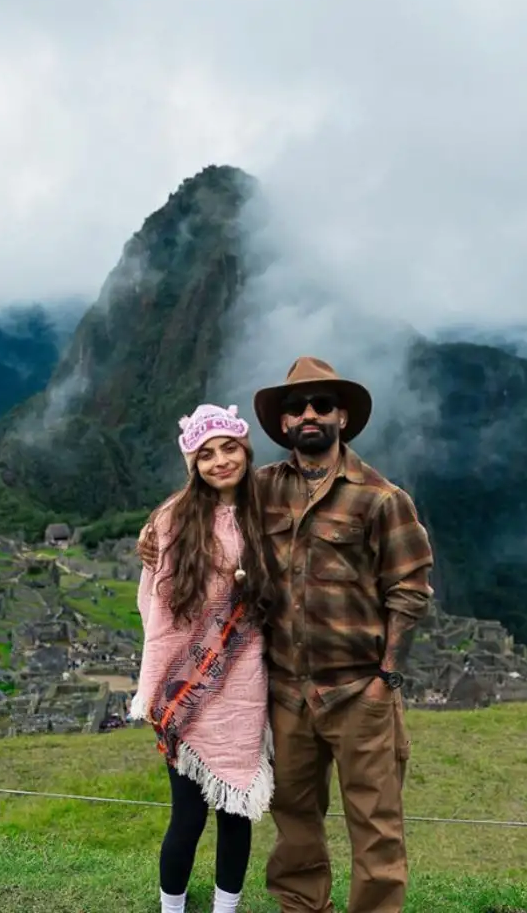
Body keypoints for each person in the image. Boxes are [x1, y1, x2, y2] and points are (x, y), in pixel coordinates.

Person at [254, 356, 433, 913]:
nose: (308, 414)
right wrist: (152, 533)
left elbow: (409, 590)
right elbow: (197, 507)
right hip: (286, 691)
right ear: (283, 423)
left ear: (342, 416)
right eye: (296, 407)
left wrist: (387, 678)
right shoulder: (260, 491)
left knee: (376, 824)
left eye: (321, 404)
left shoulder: (380, 498)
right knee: (294, 819)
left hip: (360, 692)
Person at [131, 403, 279, 913]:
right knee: (188, 814)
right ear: (192, 464)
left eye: (228, 448)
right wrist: (158, 680)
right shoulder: (173, 519)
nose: (219, 461)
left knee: (236, 810)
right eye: (206, 454)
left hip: (245, 684)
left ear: (245, 450)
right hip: (188, 687)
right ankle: (172, 908)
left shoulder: (271, 510)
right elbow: (155, 601)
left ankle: (225, 907)